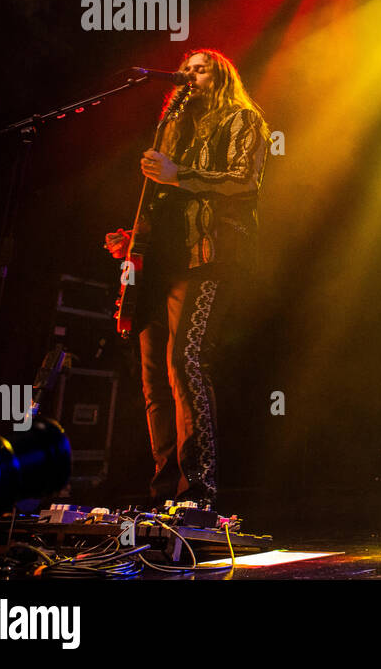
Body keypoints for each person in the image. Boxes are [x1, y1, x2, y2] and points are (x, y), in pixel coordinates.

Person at [105, 49, 269, 510]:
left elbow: (244, 182)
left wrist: (182, 176)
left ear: (221, 77)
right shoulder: (171, 129)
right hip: (160, 261)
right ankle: (164, 492)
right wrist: (133, 237)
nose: (190, 75)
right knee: (153, 376)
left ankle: (198, 491)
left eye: (201, 69)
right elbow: (162, 199)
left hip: (209, 255)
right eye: (187, 69)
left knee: (186, 361)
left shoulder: (243, 119)